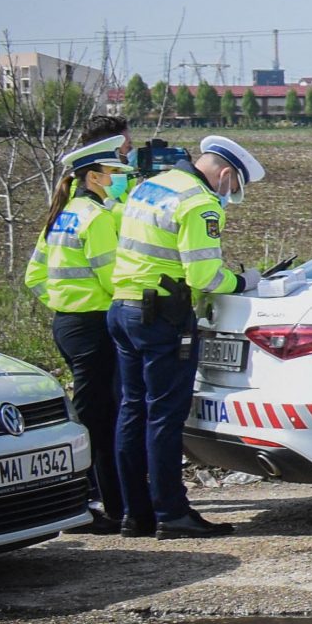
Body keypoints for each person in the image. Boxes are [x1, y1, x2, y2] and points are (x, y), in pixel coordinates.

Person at [108, 134, 264, 538]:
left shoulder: (151, 186)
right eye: (234, 187)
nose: (231, 195)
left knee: (132, 411)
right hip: (162, 316)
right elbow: (204, 276)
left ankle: (134, 513)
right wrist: (244, 280)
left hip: (123, 307)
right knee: (164, 415)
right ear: (226, 174)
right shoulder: (199, 203)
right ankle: (172, 513)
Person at [22, 135, 132, 531]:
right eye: (116, 172)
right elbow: (114, 278)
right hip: (95, 325)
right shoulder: (97, 218)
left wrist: (64, 301)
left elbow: (33, 275)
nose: (121, 178)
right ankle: (100, 505)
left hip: (67, 324)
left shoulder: (62, 214)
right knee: (99, 419)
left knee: (88, 412)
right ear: (95, 177)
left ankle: (89, 501)